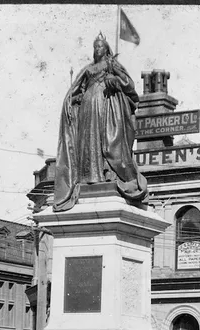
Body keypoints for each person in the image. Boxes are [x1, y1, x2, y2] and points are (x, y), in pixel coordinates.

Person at [53, 32, 149, 212]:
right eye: (95, 46)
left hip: (106, 106)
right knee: (88, 143)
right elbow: (77, 89)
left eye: (100, 46)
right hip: (88, 108)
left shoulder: (112, 64)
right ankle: (89, 177)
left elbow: (129, 84)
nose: (97, 49)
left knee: (105, 141)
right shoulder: (88, 69)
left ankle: (107, 173)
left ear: (106, 49)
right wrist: (74, 99)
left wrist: (116, 80)